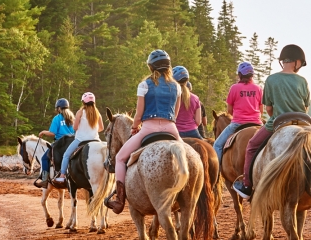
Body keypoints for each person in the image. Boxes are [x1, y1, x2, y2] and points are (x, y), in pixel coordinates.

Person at [105, 49, 182, 214]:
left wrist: (134, 127)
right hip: (171, 129)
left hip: (148, 129)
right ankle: (196, 193)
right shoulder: (176, 86)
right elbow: (175, 114)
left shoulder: (144, 84)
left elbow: (139, 114)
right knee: (190, 157)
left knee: (119, 158)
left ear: (150, 67)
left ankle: (119, 200)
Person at [233, 45, 311, 199]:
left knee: (252, 146)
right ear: (296, 62)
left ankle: (247, 185)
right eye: (301, 64)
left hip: (279, 122)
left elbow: (268, 109)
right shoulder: (302, 81)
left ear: (284, 61)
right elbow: (306, 108)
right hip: (302, 122)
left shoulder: (271, 79)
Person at [212, 62, 263, 164]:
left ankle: (217, 175)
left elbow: (229, 111)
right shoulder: (258, 89)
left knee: (217, 145)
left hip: (238, 123)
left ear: (240, 75)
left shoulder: (234, 88)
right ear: (252, 75)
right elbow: (261, 110)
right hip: (257, 123)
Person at [52, 92, 104, 186]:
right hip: (96, 140)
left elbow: (75, 127)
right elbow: (101, 128)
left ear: (83, 102)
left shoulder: (80, 112)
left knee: (66, 155)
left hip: (81, 140)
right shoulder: (98, 113)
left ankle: (62, 176)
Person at [36, 98, 75, 188]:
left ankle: (45, 180)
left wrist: (43, 132)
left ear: (59, 108)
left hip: (60, 143)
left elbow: (52, 133)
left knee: (44, 158)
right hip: (72, 143)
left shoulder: (57, 118)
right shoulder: (73, 118)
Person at [173, 66, 203, 139]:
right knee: (210, 148)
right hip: (192, 132)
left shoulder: (171, 97)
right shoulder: (195, 98)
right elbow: (198, 121)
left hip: (175, 131)